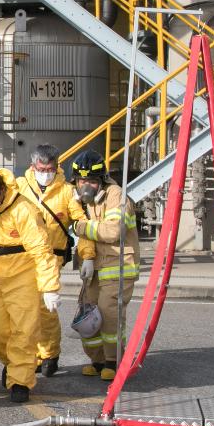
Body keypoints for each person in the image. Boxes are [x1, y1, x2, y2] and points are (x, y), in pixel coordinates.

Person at [0, 167, 61, 403]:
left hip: (22, 277)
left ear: (1, 190)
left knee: (24, 331)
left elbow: (41, 249)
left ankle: (20, 381)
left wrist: (49, 286)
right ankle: (13, 365)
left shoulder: (24, 209)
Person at [14, 144, 87, 378]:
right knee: (26, 308)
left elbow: (81, 223)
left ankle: (49, 354)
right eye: (41, 168)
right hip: (24, 257)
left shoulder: (67, 192)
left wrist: (88, 256)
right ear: (32, 166)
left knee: (46, 310)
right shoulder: (19, 186)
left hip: (52, 258)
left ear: (58, 167)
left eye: (50, 168)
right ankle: (34, 354)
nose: (45, 172)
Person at [68, 149, 141, 380]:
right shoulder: (79, 199)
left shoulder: (116, 195)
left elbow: (112, 232)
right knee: (88, 314)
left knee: (109, 316)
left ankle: (114, 360)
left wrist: (80, 227)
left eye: (91, 181)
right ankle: (97, 360)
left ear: (101, 180)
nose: (86, 186)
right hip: (93, 267)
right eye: (82, 181)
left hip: (118, 266)